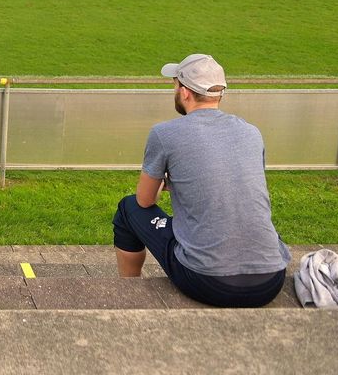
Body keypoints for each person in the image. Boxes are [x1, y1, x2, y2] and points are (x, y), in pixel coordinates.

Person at [112, 53, 290, 308]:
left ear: (185, 92)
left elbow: (145, 199)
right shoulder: (251, 132)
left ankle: (128, 293)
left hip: (208, 282)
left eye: (175, 84)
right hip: (270, 281)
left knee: (128, 208)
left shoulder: (165, 133)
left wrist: (166, 184)